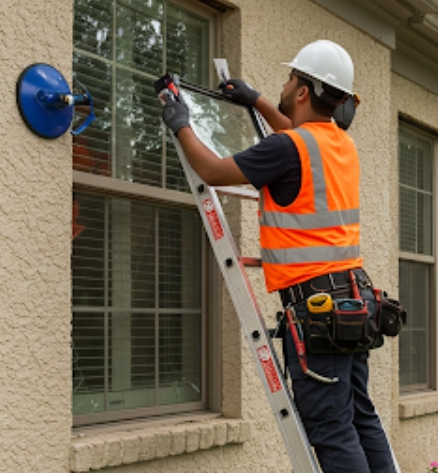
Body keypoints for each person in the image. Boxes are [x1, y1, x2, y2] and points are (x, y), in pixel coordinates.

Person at [159, 40, 395, 473]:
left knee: (331, 429)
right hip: (354, 301)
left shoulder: (287, 149)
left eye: (290, 79)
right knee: (360, 418)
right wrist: (256, 100)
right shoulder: (341, 145)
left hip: (318, 312)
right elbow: (294, 131)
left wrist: (181, 124)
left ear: (304, 91)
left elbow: (211, 171)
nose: (284, 86)